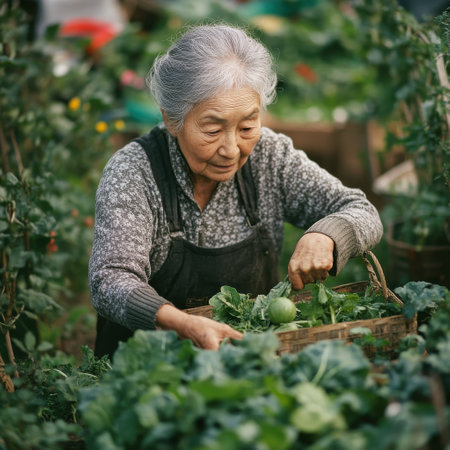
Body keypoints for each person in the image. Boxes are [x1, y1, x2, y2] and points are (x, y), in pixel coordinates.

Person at [89, 24, 383, 358]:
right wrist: (181, 324)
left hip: (245, 360)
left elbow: (362, 210)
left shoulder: (270, 158)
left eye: (246, 126)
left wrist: (328, 235)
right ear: (172, 119)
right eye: (213, 129)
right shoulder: (134, 173)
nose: (232, 149)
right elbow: (110, 280)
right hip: (145, 368)